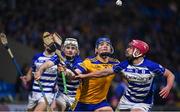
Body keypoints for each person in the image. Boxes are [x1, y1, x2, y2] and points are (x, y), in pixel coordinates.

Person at [76, 39, 175, 112]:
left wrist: (168, 86)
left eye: (131, 48)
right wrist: (84, 76)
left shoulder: (152, 66)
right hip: (125, 101)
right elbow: (104, 72)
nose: (127, 49)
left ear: (137, 52)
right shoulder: (123, 65)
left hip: (143, 102)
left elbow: (170, 75)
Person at [72, 36, 119, 111]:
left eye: (107, 44)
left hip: (100, 103)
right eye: (101, 44)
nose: (105, 46)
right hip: (82, 103)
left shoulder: (115, 63)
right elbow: (76, 73)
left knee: (108, 110)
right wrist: (68, 73)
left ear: (111, 49)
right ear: (96, 50)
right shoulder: (89, 62)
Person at [34, 38, 82, 111]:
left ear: (77, 51)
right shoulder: (59, 57)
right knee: (54, 107)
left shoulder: (79, 62)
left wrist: (65, 71)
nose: (70, 50)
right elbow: (47, 64)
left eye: (73, 48)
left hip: (75, 97)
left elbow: (73, 76)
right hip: (62, 94)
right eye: (68, 47)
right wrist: (39, 71)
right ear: (63, 49)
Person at [20, 32, 60, 111]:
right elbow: (32, 70)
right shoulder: (37, 57)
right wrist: (27, 78)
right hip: (34, 92)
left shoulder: (57, 58)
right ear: (44, 44)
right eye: (48, 43)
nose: (50, 44)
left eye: (52, 43)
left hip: (48, 93)